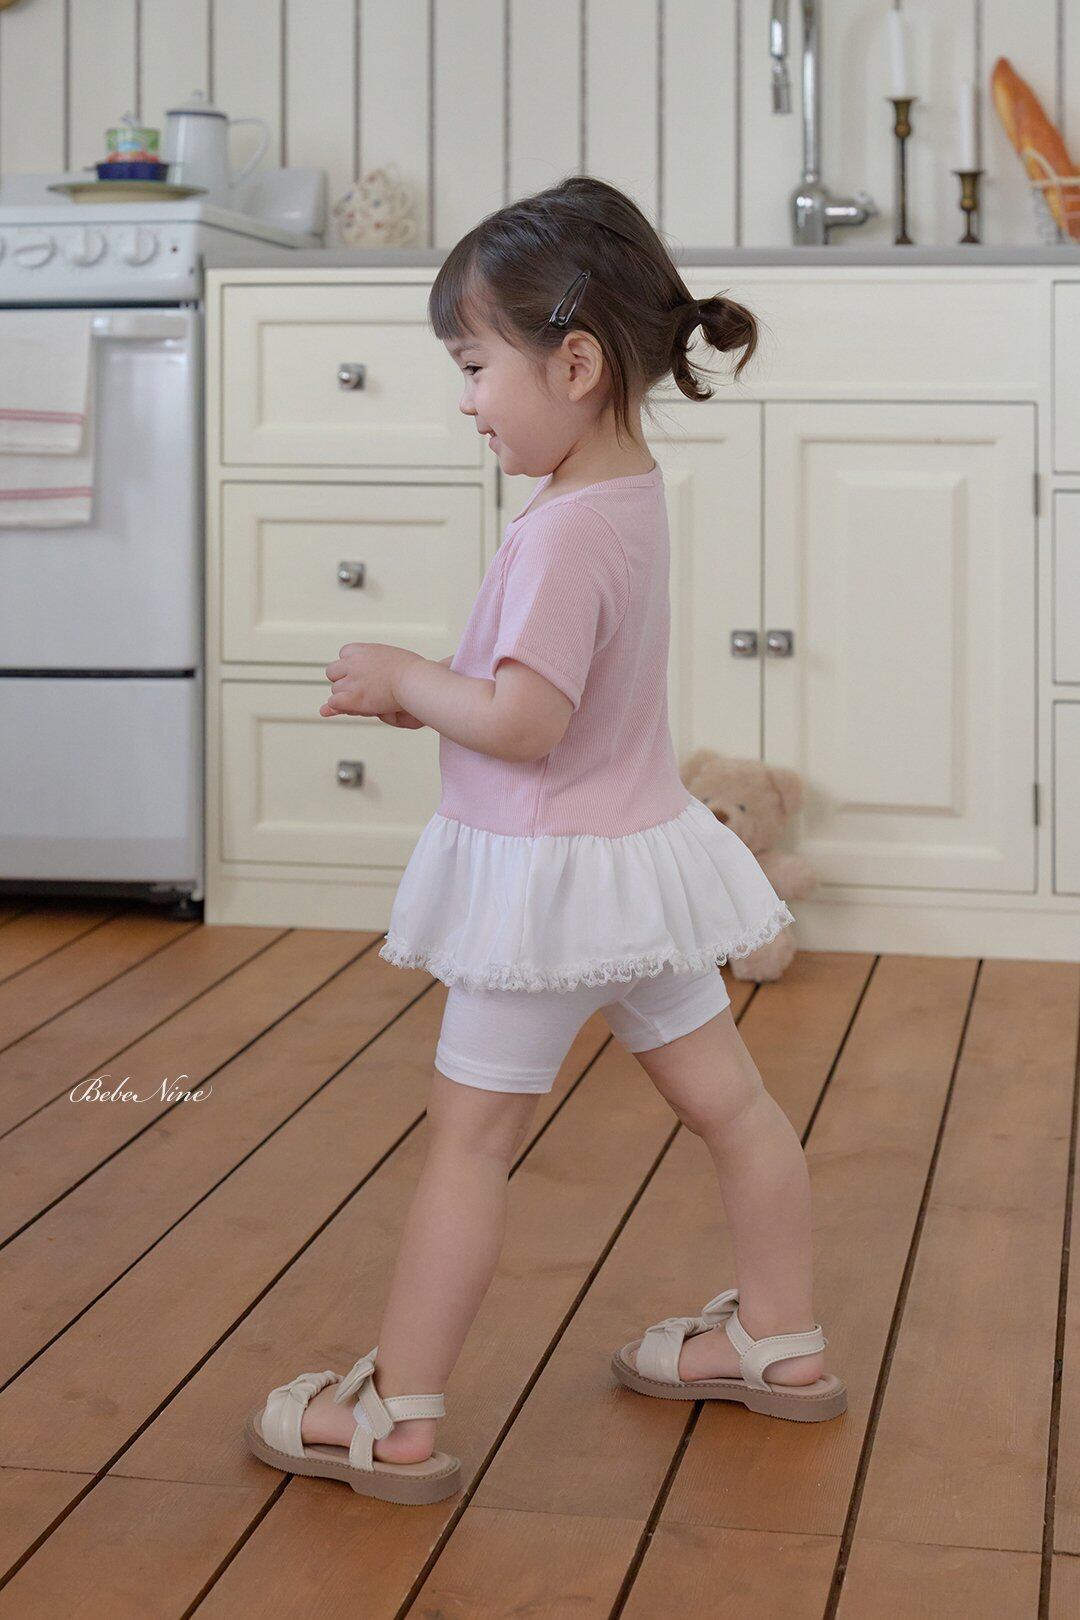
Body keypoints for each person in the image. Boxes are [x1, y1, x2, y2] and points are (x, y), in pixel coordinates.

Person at [244, 175, 846, 1507]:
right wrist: (436, 696)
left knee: (468, 1145)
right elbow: (553, 704)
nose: (465, 400)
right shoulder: (628, 493)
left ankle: (397, 1417)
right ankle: (781, 1338)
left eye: (474, 367)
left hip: (544, 895)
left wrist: (408, 678)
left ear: (574, 365)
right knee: (735, 1108)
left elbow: (525, 723)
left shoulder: (564, 532)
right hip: (638, 873)